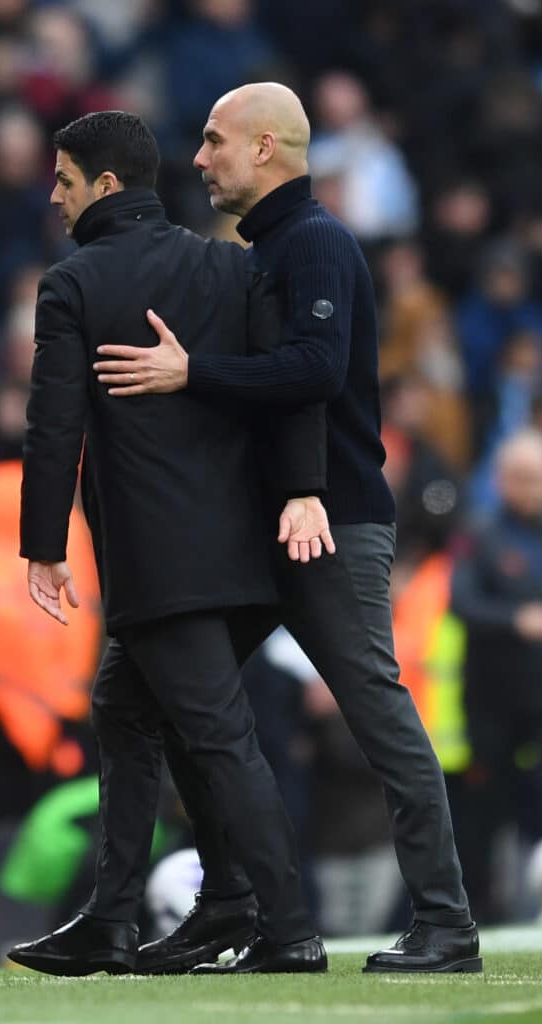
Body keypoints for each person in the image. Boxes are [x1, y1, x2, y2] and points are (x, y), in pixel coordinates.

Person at [94, 83, 480, 974]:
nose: (199, 159)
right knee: (158, 691)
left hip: (332, 523)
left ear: (266, 148)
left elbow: (312, 366)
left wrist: (193, 374)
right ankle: (226, 903)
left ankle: (447, 922)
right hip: (264, 529)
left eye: (214, 141)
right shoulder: (266, 248)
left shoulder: (314, 242)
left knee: (377, 714)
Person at [8, 111, 329, 977]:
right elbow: (287, 391)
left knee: (220, 740)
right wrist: (302, 491)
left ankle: (290, 929)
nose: (55, 195)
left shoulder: (73, 282)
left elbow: (54, 427)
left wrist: (43, 543)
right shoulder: (231, 266)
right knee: (124, 708)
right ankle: (125, 915)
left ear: (106, 186)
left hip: (161, 562)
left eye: (66, 180)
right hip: (244, 550)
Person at [450, 429, 542, 922]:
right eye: (519, 478)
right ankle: (480, 913)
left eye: (539, 479)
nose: (530, 488)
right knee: (486, 809)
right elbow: (460, 603)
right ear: (501, 479)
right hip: (494, 698)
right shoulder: (480, 533)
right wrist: (515, 619)